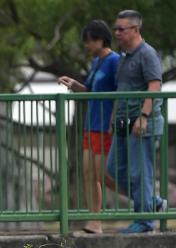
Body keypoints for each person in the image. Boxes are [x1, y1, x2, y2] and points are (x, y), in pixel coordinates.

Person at [58, 20, 120, 234]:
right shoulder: (96, 63)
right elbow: (90, 90)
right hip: (90, 124)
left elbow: (120, 93)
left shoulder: (114, 61)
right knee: (87, 173)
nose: (87, 45)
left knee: (103, 173)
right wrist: (74, 85)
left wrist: (113, 120)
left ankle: (142, 199)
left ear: (101, 40)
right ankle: (95, 220)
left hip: (104, 125)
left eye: (90, 41)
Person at [106, 9, 165, 234]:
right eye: (116, 29)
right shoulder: (124, 57)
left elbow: (154, 85)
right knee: (114, 169)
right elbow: (119, 91)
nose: (117, 33)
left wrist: (144, 116)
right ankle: (153, 203)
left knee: (140, 173)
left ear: (136, 29)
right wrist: (113, 119)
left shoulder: (147, 54)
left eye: (122, 29)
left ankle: (145, 221)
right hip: (122, 123)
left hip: (142, 125)